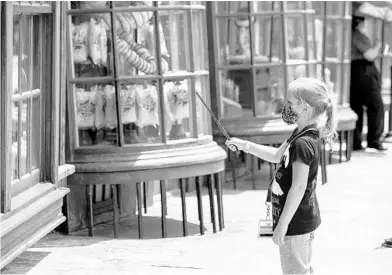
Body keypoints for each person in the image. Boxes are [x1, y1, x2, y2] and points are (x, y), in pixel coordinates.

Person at [226, 78, 338, 274]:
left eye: (289, 102)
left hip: (295, 223)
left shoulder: (303, 143)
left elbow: (299, 187)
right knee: (301, 269)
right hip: (297, 220)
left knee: (296, 271)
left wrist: (283, 225)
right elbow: (276, 155)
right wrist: (245, 145)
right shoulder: (299, 133)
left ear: (304, 107)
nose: (285, 106)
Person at [351, 15, 387, 151]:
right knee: (376, 105)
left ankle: (356, 141)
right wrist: (378, 45)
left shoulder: (347, 33)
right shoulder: (357, 35)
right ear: (359, 22)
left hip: (354, 72)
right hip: (363, 72)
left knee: (356, 107)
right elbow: (369, 55)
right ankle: (374, 140)